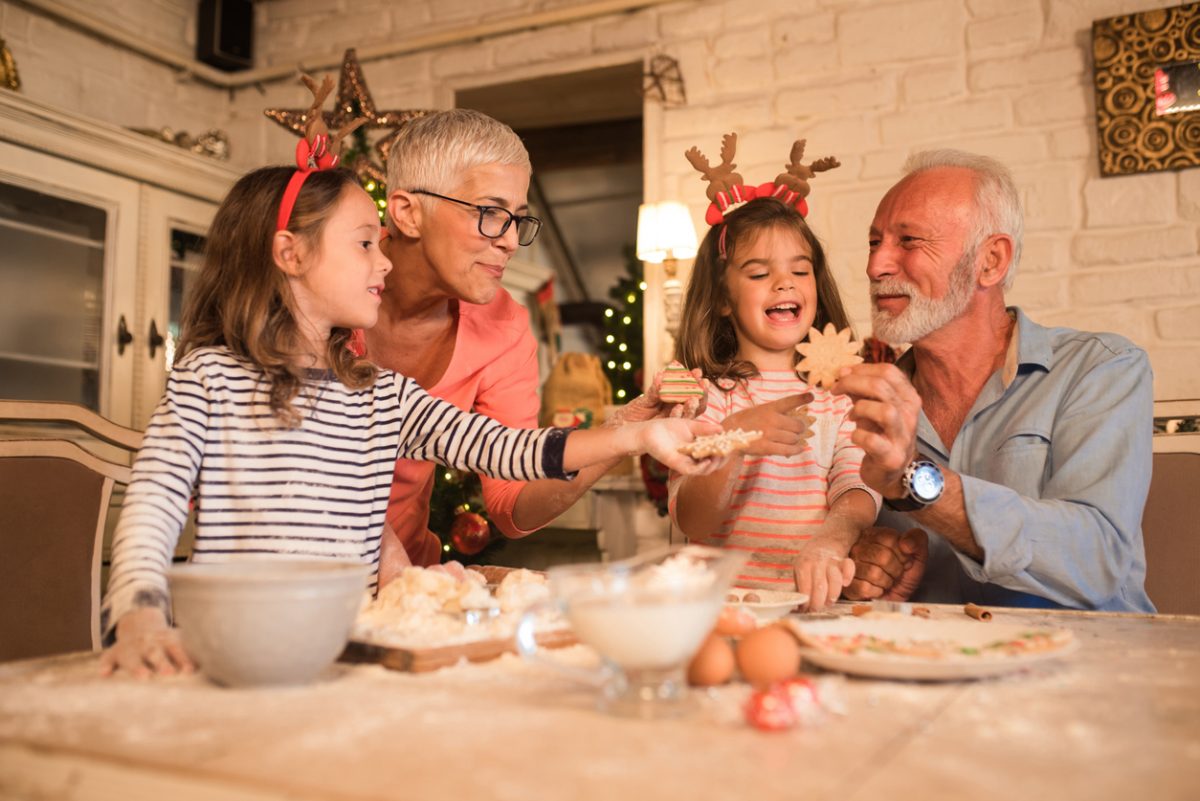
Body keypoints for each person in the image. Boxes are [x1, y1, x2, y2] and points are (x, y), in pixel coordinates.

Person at [99, 162, 723, 678]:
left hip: (342, 657)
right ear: (290, 253)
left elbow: (508, 449)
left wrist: (640, 433)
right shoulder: (211, 377)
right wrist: (140, 614)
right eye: (364, 243)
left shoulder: (380, 395)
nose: (386, 262)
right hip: (234, 654)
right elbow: (153, 500)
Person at [362, 110, 698, 578]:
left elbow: (511, 490)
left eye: (518, 219)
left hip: (410, 581)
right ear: (407, 212)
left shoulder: (504, 326)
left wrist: (623, 435)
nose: (511, 241)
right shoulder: (323, 286)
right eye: (490, 214)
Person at [835, 149, 1154, 612]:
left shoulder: (1101, 369)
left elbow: (1097, 558)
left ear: (991, 260)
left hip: (1089, 665)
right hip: (929, 663)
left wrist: (915, 481)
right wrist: (864, 569)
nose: (876, 266)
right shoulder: (859, 403)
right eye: (873, 242)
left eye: (908, 241)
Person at [668, 197, 880, 609]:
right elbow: (692, 519)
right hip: (721, 607)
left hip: (812, 603)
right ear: (724, 298)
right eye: (760, 273)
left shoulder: (840, 397)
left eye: (800, 270)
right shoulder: (702, 397)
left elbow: (857, 489)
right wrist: (732, 439)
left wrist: (830, 541)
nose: (785, 283)